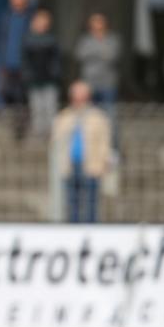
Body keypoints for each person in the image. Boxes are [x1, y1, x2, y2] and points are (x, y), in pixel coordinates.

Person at [52, 81, 111, 223]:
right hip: (70, 166)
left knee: (91, 204)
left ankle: (92, 232)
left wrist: (103, 163)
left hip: (91, 166)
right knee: (72, 204)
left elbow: (104, 143)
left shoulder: (98, 118)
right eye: (75, 97)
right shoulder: (64, 117)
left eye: (81, 97)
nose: (78, 100)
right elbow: (55, 140)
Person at [74, 13, 120, 148]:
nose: (97, 25)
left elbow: (112, 55)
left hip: (108, 84)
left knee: (110, 118)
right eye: (94, 22)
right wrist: (101, 52)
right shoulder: (85, 40)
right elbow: (80, 54)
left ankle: (113, 150)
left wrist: (94, 52)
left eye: (100, 22)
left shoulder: (113, 39)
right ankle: (91, 147)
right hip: (89, 84)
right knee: (88, 118)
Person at [0, 0, 32, 137]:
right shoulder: (6, 17)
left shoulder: (30, 18)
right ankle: (13, 123)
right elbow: (1, 40)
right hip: (8, 63)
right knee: (6, 93)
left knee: (22, 95)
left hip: (24, 64)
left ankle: (22, 126)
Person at [22, 9, 60, 136]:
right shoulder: (28, 40)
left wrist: (55, 74)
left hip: (49, 79)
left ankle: (52, 134)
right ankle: (39, 135)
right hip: (34, 81)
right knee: (37, 109)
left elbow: (55, 61)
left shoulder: (51, 40)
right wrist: (28, 76)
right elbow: (25, 61)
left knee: (50, 108)